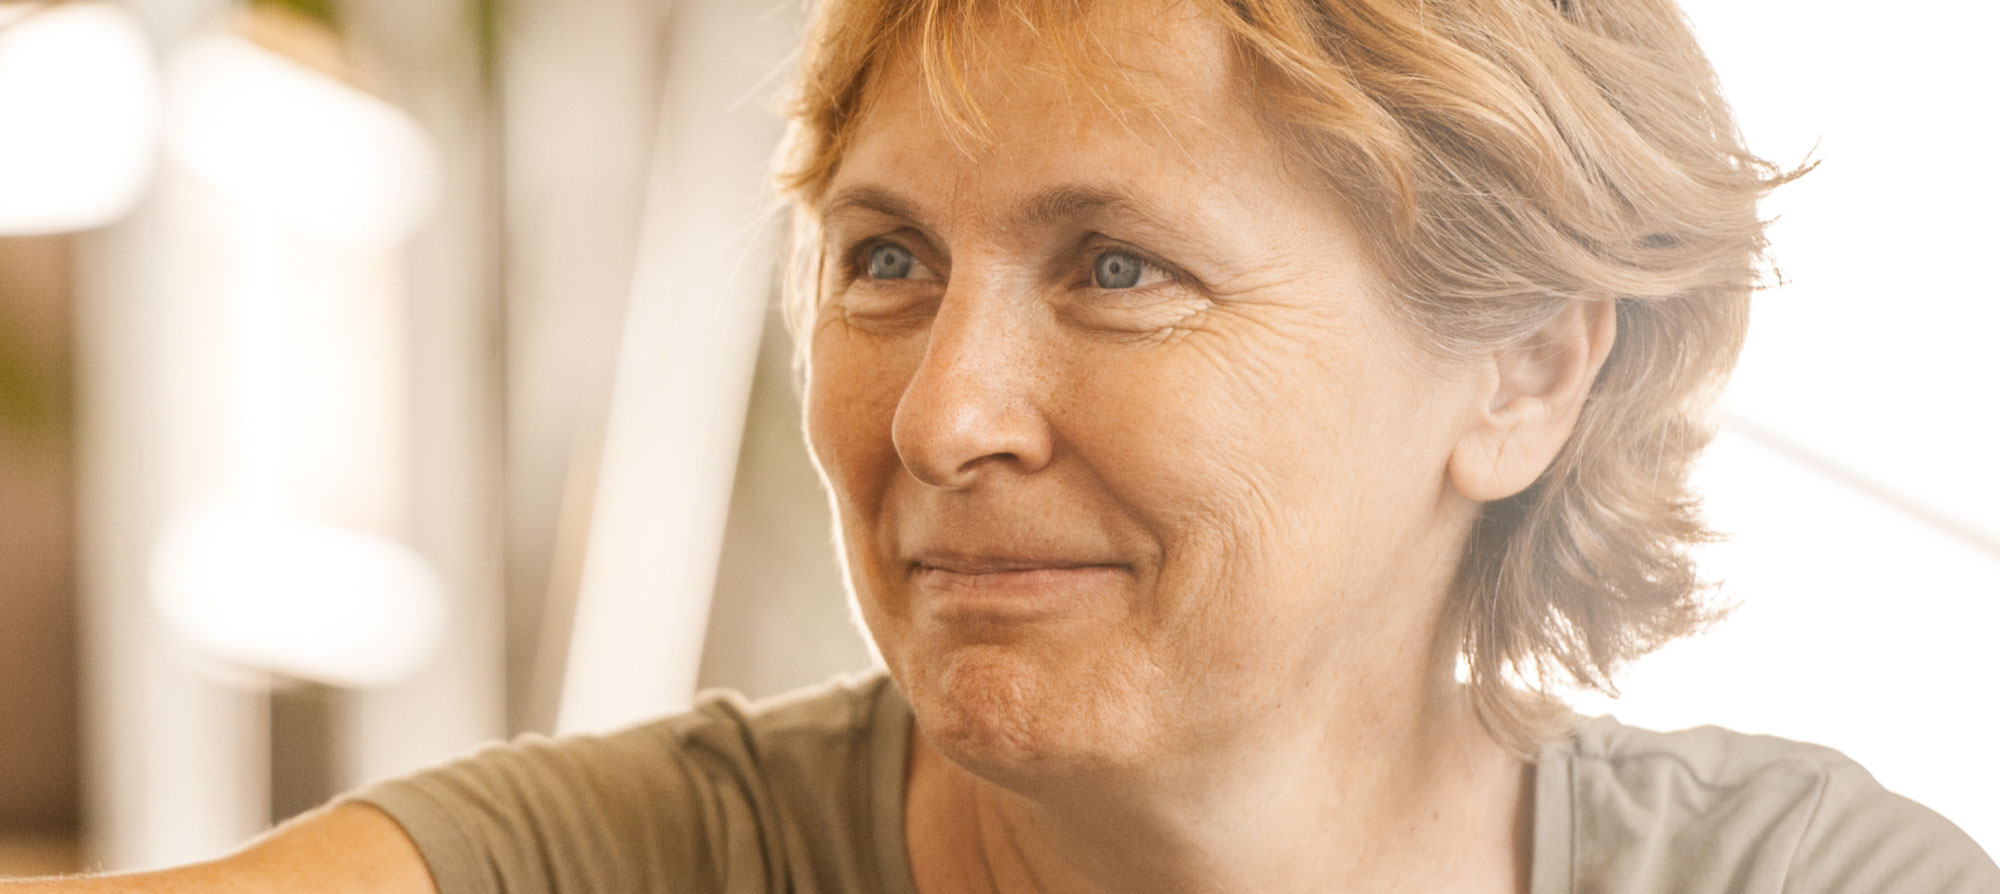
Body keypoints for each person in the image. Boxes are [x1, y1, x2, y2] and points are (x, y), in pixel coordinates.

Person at [12, 0, 1998, 891]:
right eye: (884, 259)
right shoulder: (646, 862)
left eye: (1119, 266)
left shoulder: (1808, 886)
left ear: (1526, 374)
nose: (945, 413)